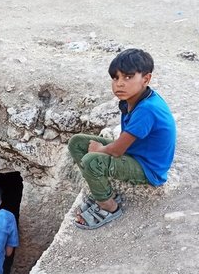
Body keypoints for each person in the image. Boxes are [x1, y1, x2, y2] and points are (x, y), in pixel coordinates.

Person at [69, 48, 176, 229]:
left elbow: (118, 150)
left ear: (146, 79)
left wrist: (100, 150)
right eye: (115, 78)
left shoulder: (147, 109)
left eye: (128, 77)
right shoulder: (134, 99)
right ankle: (102, 189)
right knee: (77, 142)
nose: (119, 84)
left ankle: (108, 206)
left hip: (148, 168)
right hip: (136, 151)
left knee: (92, 161)